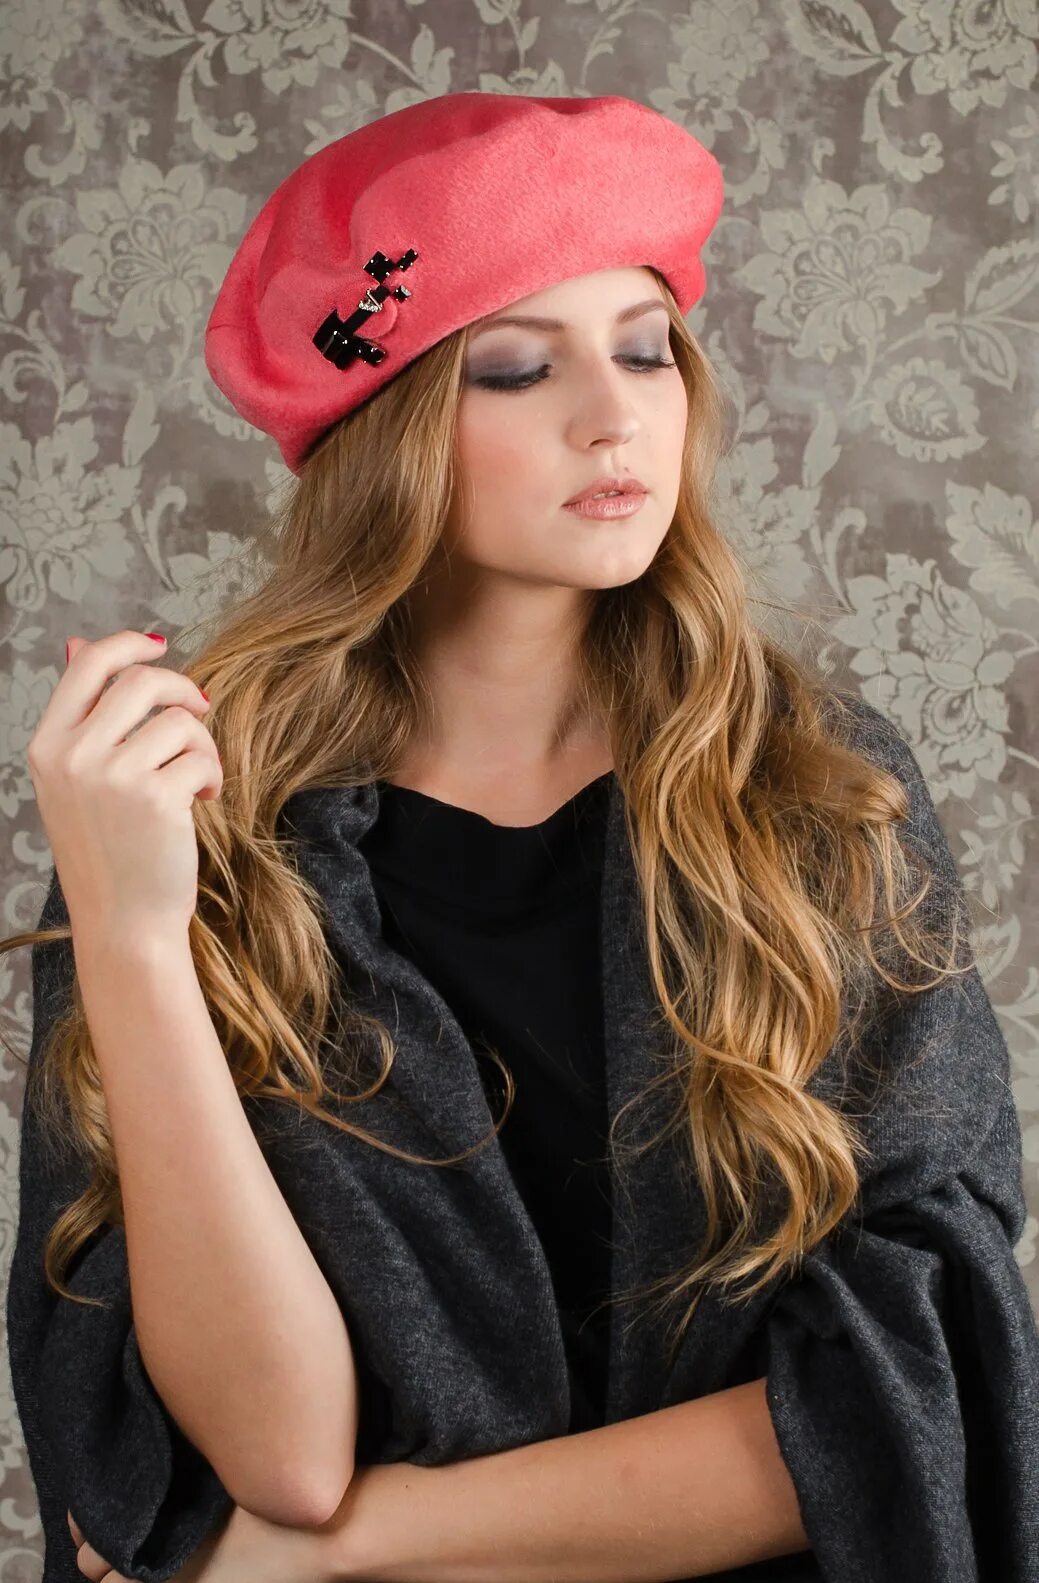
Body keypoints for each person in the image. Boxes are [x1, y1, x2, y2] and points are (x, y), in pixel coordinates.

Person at [4, 91, 1038, 1583]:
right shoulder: (189, 821)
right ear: (384, 429)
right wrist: (129, 933)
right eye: (514, 366)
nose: (615, 414)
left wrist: (335, 1554)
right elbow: (277, 1457)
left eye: (645, 347)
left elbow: (908, 1398)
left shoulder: (819, 797)